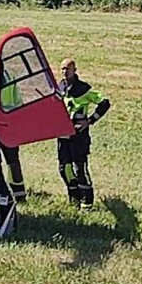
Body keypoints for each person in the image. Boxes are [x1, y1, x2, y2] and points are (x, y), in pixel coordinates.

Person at [58, 58, 111, 209]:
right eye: (62, 69)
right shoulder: (60, 87)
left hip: (78, 136)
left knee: (79, 168)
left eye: (67, 69)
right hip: (62, 135)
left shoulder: (83, 88)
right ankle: (74, 199)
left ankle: (87, 202)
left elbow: (104, 102)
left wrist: (89, 121)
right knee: (64, 168)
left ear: (74, 70)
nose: (64, 72)